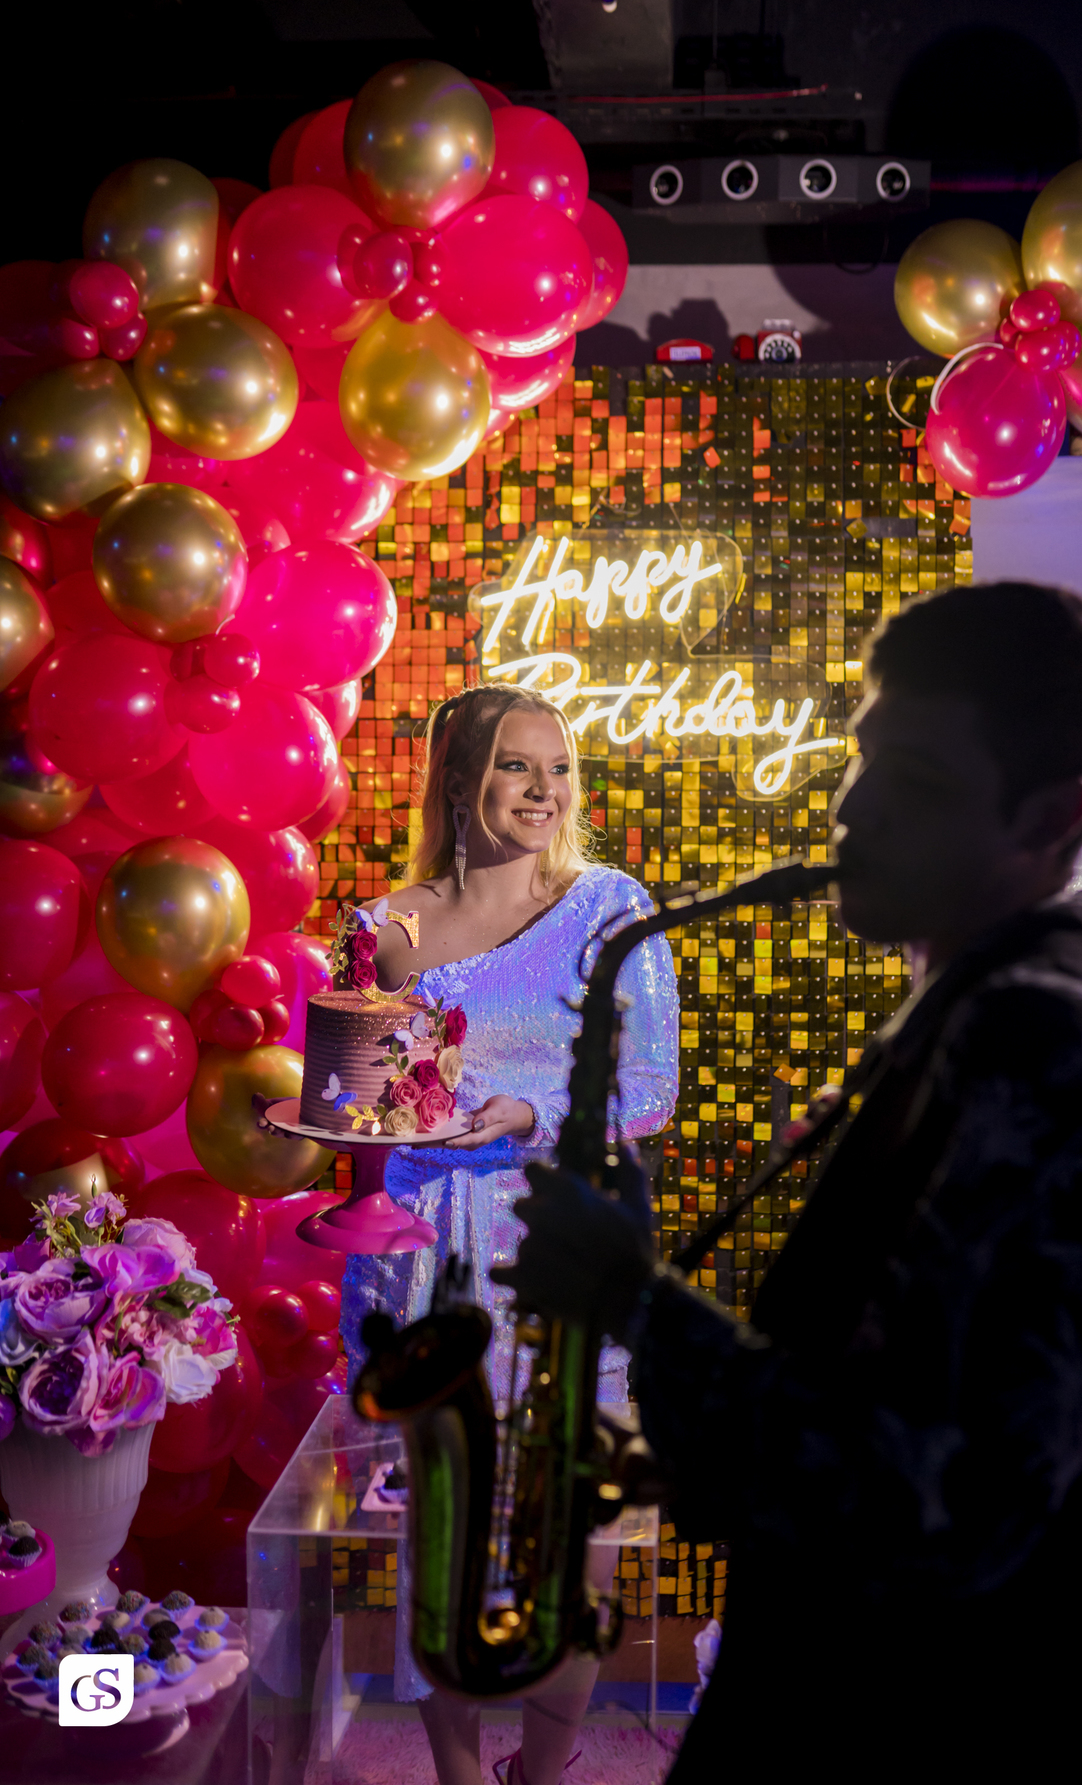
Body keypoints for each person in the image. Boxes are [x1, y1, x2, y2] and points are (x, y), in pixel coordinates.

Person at [496, 584, 1082, 1774]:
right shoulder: (969, 1014)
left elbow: (936, 1510)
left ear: (1053, 815)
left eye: (916, 784)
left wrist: (640, 1307)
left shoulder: (1043, 1047)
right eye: (866, 758)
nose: (852, 812)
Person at [339, 682, 678, 1785]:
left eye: (559, 768)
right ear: (460, 778)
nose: (543, 791)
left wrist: (531, 1113)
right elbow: (368, 1098)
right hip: (423, 1260)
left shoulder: (609, 904)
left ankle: (540, 1773)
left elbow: (653, 1090)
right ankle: (451, 1775)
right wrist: (312, 1107)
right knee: (437, 1543)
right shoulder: (386, 928)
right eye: (516, 766)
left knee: (569, 1557)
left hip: (554, 1254)